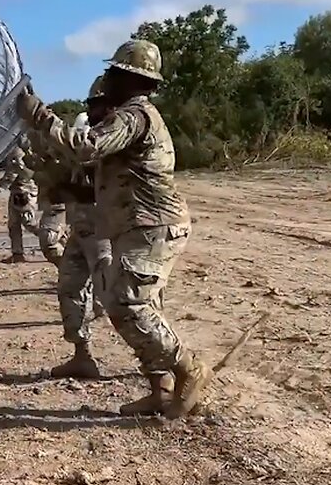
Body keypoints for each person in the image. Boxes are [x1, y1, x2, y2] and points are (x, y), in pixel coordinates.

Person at [14, 38, 209, 419]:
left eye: (118, 73)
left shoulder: (134, 116)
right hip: (140, 226)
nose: (109, 79)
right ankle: (161, 390)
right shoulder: (131, 117)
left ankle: (189, 369)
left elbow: (85, 147)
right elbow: (99, 179)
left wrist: (39, 115)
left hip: (154, 226)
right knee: (136, 304)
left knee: (126, 303)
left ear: (138, 81)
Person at [44, 76, 115, 380]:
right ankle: (82, 355)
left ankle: (159, 368)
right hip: (80, 231)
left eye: (96, 103)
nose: (92, 110)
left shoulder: (113, 140)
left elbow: (102, 190)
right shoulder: (89, 140)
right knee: (70, 289)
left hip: (104, 234)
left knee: (120, 301)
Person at [0, 133, 38, 263]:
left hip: (23, 191)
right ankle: (17, 254)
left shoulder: (17, 153)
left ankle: (55, 239)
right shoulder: (20, 151)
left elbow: (12, 174)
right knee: (14, 224)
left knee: (29, 223)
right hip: (19, 190)